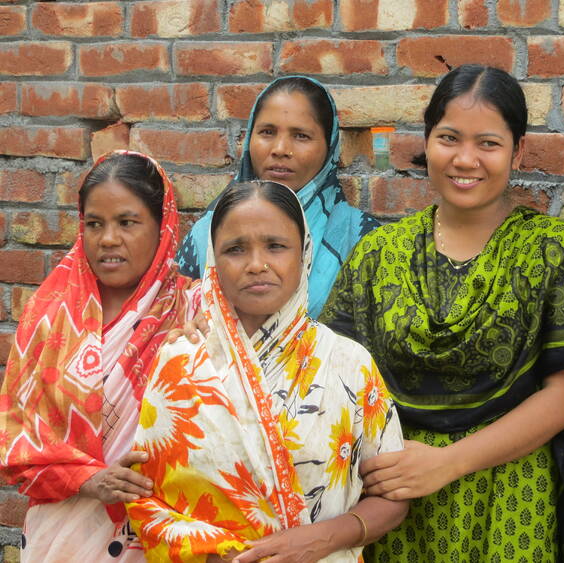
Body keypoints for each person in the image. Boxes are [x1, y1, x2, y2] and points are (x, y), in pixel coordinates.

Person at [319, 64, 564, 562]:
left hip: (509, 497)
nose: (466, 159)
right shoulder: (379, 255)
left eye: (488, 143)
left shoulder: (555, 253)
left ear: (518, 151)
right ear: (427, 140)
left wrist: (447, 463)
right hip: (395, 494)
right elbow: (330, 377)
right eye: (449, 138)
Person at [126, 180, 407, 562]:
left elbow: (392, 498)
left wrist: (319, 540)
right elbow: (145, 496)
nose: (257, 264)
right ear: (213, 261)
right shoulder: (179, 361)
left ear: (304, 253)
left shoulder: (349, 364)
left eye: (275, 246)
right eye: (235, 249)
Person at [0, 151, 200, 562]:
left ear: (163, 226)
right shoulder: (50, 313)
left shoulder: (193, 310)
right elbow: (15, 440)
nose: (108, 239)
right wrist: (88, 479)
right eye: (94, 224)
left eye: (127, 222)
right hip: (63, 536)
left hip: (161, 536)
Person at [176, 76, 379, 318]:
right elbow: (177, 322)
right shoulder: (207, 233)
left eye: (301, 135)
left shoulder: (359, 238)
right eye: (267, 132)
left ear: (329, 147)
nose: (280, 149)